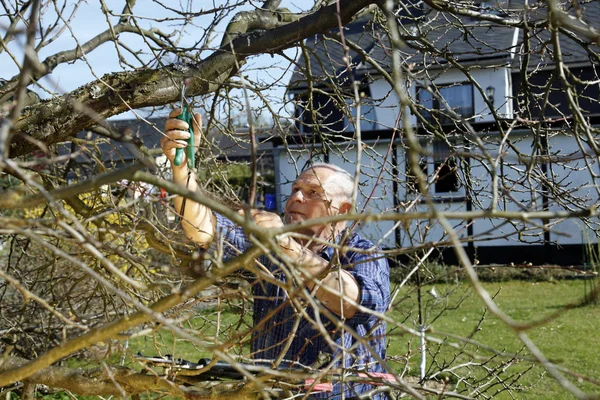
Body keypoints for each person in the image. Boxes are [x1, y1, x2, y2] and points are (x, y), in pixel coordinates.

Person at [161, 109, 391, 399]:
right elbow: (203, 230)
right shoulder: (267, 251)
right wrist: (182, 170)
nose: (296, 197)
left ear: (341, 211)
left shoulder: (364, 255)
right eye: (295, 189)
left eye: (313, 193)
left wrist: (290, 250)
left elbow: (352, 302)